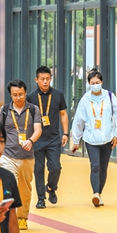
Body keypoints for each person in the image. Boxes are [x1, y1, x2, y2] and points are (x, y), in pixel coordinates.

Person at [70, 69, 117, 207]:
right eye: (92, 83)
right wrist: (76, 140)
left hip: (107, 138)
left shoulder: (110, 96)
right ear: (89, 84)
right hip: (91, 139)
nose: (95, 85)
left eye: (97, 82)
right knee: (95, 166)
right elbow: (79, 121)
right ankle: (95, 193)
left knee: (104, 167)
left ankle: (99, 194)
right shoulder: (85, 100)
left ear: (102, 82)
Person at [0, 80, 40, 230]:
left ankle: (22, 217)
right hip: (8, 155)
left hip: (27, 157)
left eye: (21, 94)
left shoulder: (34, 109)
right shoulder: (4, 110)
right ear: (10, 95)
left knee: (25, 189)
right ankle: (9, 216)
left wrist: (31, 140)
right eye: (15, 95)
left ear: (25, 93)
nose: (18, 97)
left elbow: (38, 129)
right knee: (9, 185)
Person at [32, 66, 69, 209]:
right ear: (37, 80)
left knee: (55, 167)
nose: (45, 82)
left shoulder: (58, 95)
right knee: (39, 169)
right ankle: (41, 198)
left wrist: (65, 133)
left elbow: (63, 114)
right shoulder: (31, 97)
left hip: (54, 138)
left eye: (48, 79)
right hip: (38, 139)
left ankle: (51, 187)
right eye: (42, 79)